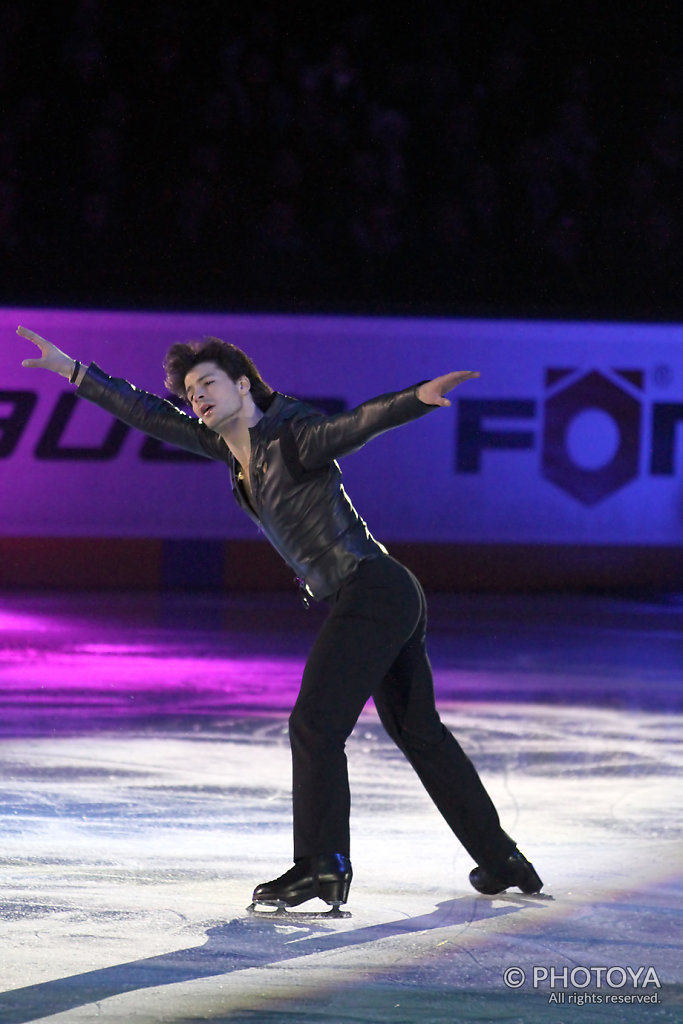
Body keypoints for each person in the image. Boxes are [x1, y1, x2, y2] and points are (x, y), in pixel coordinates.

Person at [16, 324, 543, 913]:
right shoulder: (226, 449)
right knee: (418, 732)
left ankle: (322, 865)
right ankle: (502, 859)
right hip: (381, 593)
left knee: (315, 724)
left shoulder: (293, 437)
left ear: (244, 386)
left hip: (371, 589)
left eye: (209, 384)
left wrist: (415, 399)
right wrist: (72, 371)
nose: (198, 398)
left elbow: (356, 423)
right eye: (191, 392)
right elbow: (145, 413)